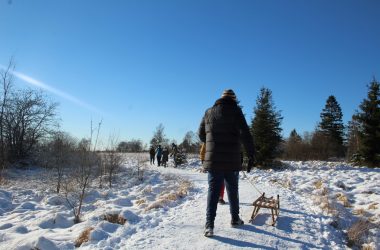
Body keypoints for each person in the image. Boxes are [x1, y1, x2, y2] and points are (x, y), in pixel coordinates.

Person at [198, 89, 255, 237]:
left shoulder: (208, 112)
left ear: (220, 99)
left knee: (213, 191)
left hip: (214, 160)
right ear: (234, 100)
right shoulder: (236, 111)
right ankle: (235, 219)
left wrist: (210, 143)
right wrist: (251, 155)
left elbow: (200, 133)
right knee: (232, 190)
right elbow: (245, 134)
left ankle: (209, 226)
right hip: (232, 159)